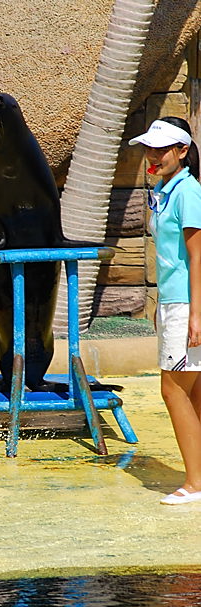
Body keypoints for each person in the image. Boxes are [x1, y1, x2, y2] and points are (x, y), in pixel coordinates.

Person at [129, 117, 201, 504]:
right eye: (149, 149)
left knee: (172, 390)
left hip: (187, 304)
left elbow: (197, 256)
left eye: (162, 149)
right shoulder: (165, 190)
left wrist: (195, 313)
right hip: (175, 301)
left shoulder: (188, 192)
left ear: (183, 151)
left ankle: (194, 484)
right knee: (194, 392)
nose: (153, 156)